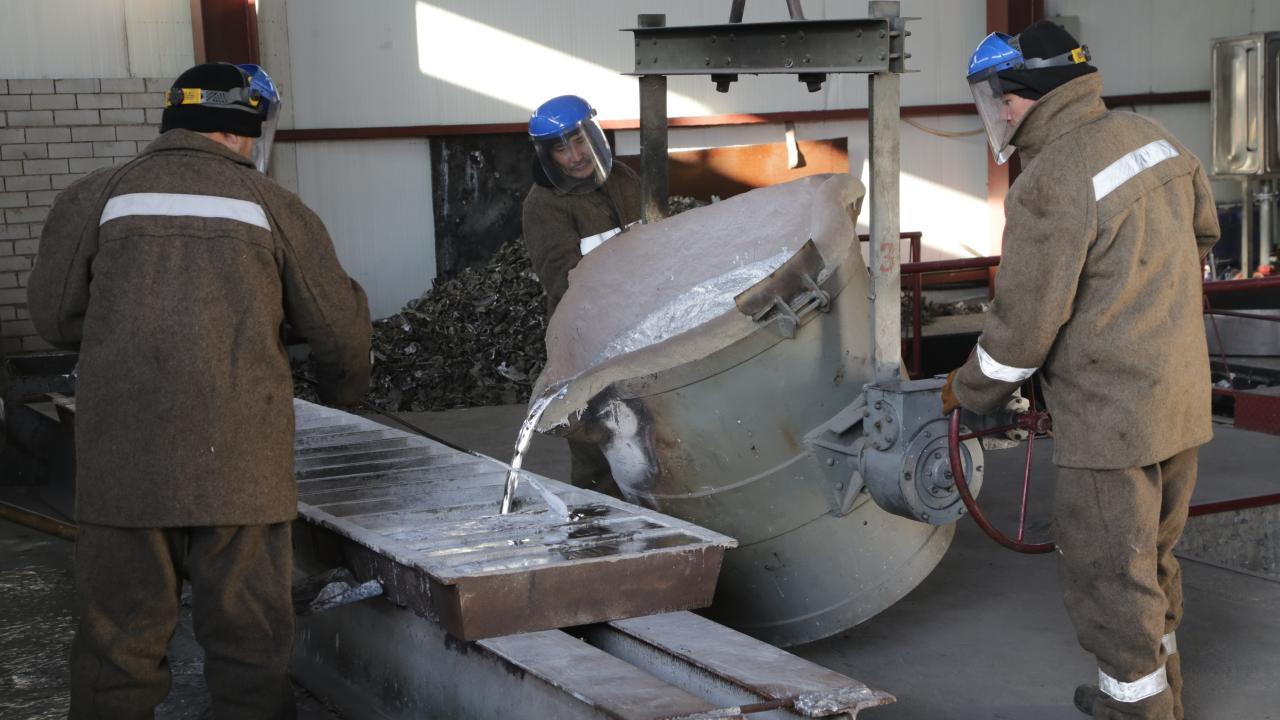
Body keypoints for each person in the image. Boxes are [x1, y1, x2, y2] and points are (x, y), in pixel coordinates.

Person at [27, 62, 372, 719]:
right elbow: (340, 333)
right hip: (241, 475)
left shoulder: (96, 195)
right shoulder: (276, 207)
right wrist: (343, 394)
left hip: (123, 472)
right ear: (241, 130)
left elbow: (55, 318)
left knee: (116, 655)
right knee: (250, 655)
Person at [943, 21, 1219, 720]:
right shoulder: (1155, 138)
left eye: (1002, 97)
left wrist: (970, 389)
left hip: (1110, 419)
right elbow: (1203, 233)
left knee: (1110, 576)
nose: (999, 112)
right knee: (1152, 559)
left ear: (1029, 94)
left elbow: (1022, 330)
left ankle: (1135, 709)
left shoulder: (1052, 178)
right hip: (1180, 396)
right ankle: (1166, 694)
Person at [522, 95, 641, 497]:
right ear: (547, 155)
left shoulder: (624, 178)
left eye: (578, 140)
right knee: (600, 443)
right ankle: (597, 518)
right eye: (561, 149)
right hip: (586, 341)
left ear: (595, 135)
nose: (575, 156)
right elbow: (564, 283)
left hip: (642, 327)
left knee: (649, 435)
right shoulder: (543, 206)